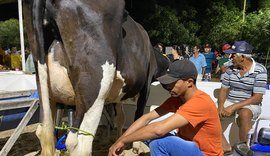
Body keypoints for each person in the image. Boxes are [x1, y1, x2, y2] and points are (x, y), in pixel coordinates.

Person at [109, 60, 223, 156]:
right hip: (190, 147)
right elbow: (146, 118)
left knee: (159, 143)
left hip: (205, 153)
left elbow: (159, 130)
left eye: (172, 82)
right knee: (146, 133)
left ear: (189, 82)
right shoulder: (178, 98)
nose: (168, 86)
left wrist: (124, 140)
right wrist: (120, 140)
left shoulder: (200, 102)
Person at [217, 41, 268, 154]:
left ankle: (243, 148)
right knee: (209, 112)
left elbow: (257, 98)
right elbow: (224, 89)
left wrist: (234, 107)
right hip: (230, 100)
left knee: (244, 113)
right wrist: (221, 106)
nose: (231, 57)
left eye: (233, 55)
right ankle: (225, 145)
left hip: (250, 104)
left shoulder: (260, 70)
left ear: (242, 57)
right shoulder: (229, 67)